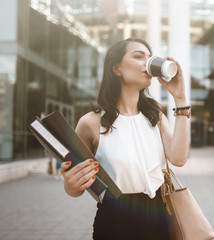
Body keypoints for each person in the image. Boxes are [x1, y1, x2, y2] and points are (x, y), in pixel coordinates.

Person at [60, 38, 189, 239]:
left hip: (159, 215)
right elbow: (74, 188)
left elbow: (179, 159)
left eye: (149, 57)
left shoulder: (156, 116)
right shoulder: (90, 123)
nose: (147, 63)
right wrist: (71, 183)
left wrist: (180, 98)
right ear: (116, 68)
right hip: (115, 219)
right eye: (138, 56)